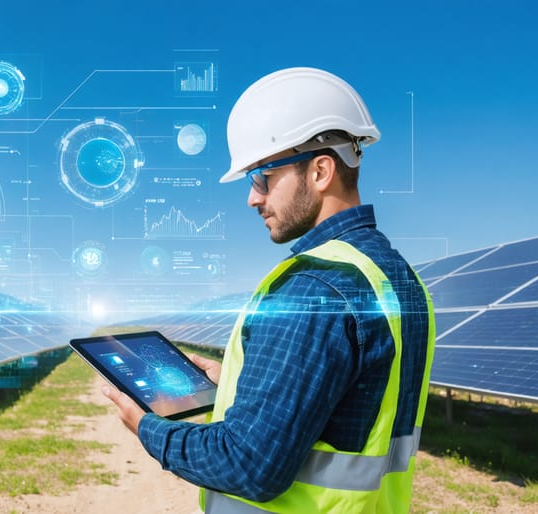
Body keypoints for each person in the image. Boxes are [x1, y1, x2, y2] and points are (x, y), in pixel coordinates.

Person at [103, 67, 435, 513]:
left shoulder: (315, 289)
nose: (253, 198)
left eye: (262, 176)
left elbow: (249, 465)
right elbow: (348, 407)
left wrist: (147, 428)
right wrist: (242, 384)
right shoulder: (397, 279)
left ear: (320, 171)